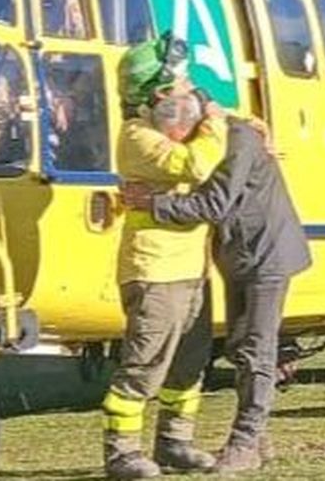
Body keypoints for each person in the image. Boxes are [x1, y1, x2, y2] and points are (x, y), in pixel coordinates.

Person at [123, 113, 311, 473]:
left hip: (265, 254)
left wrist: (152, 203)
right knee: (241, 345)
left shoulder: (235, 140)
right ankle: (255, 436)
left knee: (256, 347)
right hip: (241, 254)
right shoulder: (218, 135)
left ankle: (245, 442)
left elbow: (213, 204)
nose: (171, 136)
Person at [101, 33, 230, 480]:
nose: (191, 88)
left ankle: (175, 441)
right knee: (144, 365)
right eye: (182, 82)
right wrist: (215, 121)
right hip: (154, 269)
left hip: (191, 267)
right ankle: (122, 454)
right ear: (159, 93)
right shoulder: (137, 137)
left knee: (190, 362)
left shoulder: (173, 128)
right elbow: (195, 165)